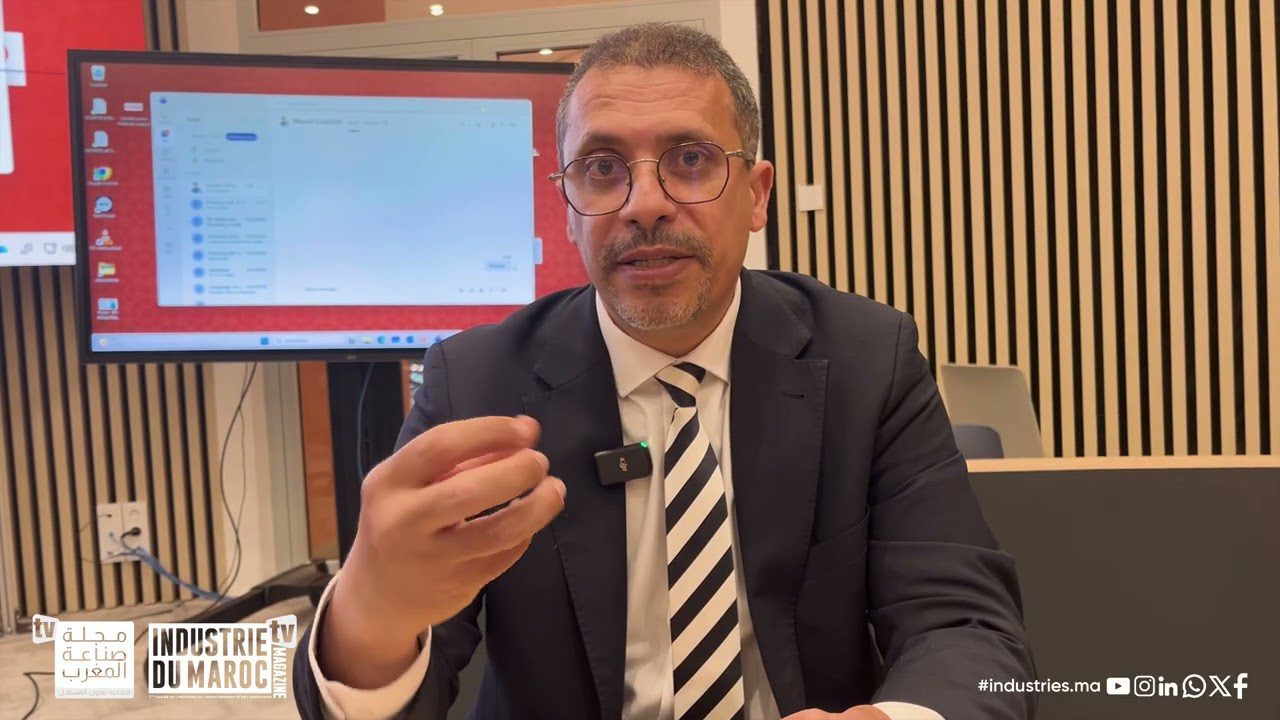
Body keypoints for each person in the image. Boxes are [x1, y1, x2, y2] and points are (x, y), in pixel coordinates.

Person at [294, 23, 1035, 720]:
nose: (644, 205)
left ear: (757, 195)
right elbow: (396, 687)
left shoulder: (868, 361)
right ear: (568, 209)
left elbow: (964, 626)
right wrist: (371, 617)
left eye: (690, 160)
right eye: (602, 168)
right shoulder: (476, 383)